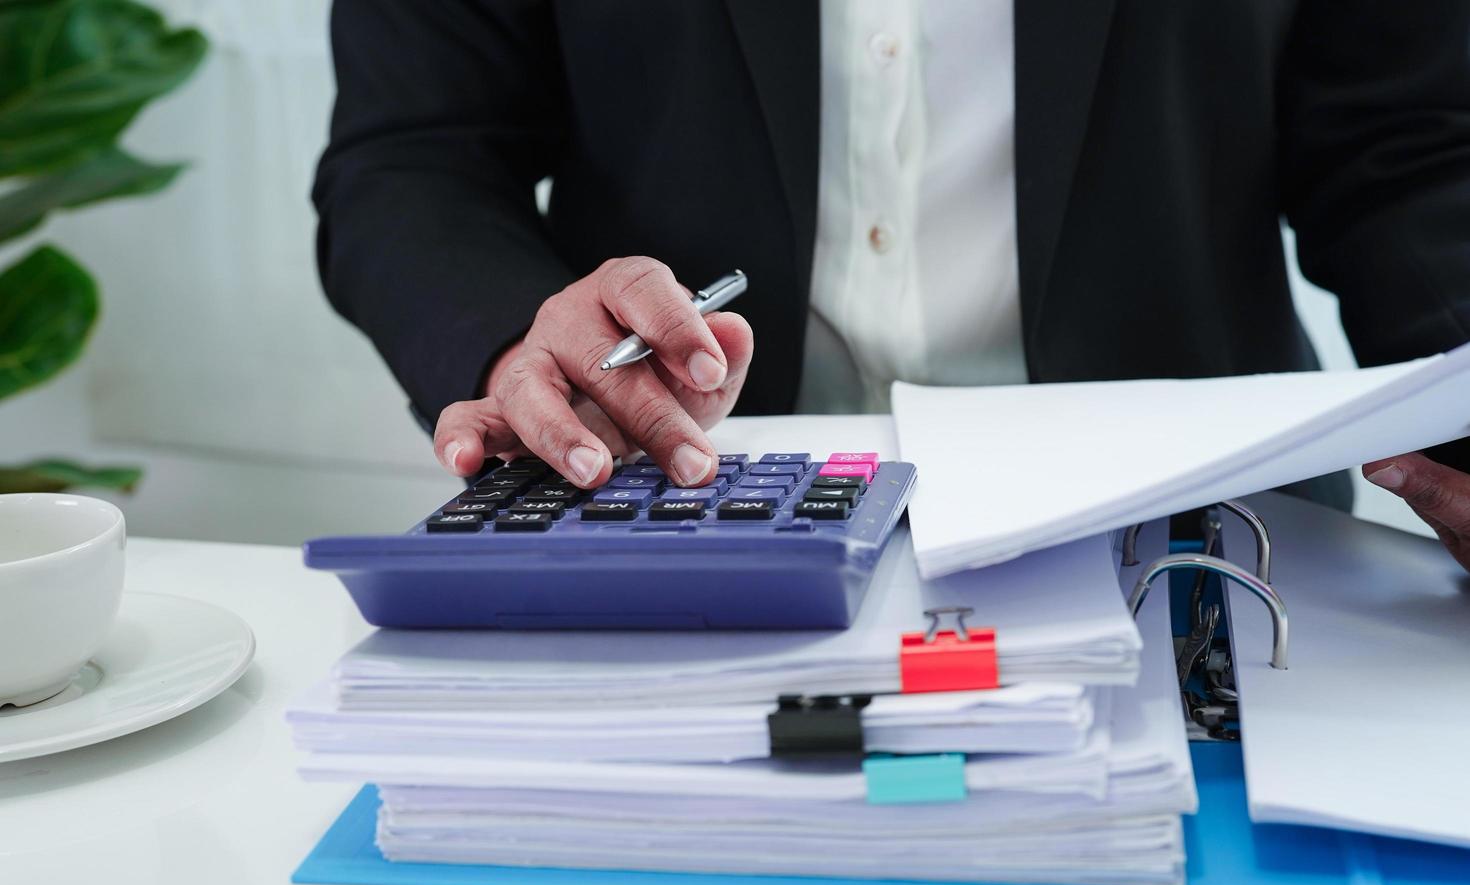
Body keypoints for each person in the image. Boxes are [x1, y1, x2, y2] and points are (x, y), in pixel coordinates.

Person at [313, 0, 1470, 571]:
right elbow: (416, 155)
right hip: (676, 506)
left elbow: (1412, 149)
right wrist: (526, 349)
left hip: (1202, 543)